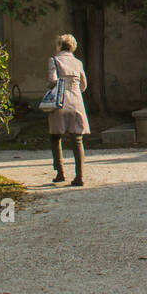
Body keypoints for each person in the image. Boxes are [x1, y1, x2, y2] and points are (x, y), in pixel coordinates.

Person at [46, 34, 90, 186]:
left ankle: (60, 172)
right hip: (76, 101)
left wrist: (51, 87)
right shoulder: (78, 62)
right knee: (77, 139)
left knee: (55, 136)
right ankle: (80, 176)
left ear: (59, 45)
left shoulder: (54, 60)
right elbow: (83, 85)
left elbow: (52, 80)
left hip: (60, 101)